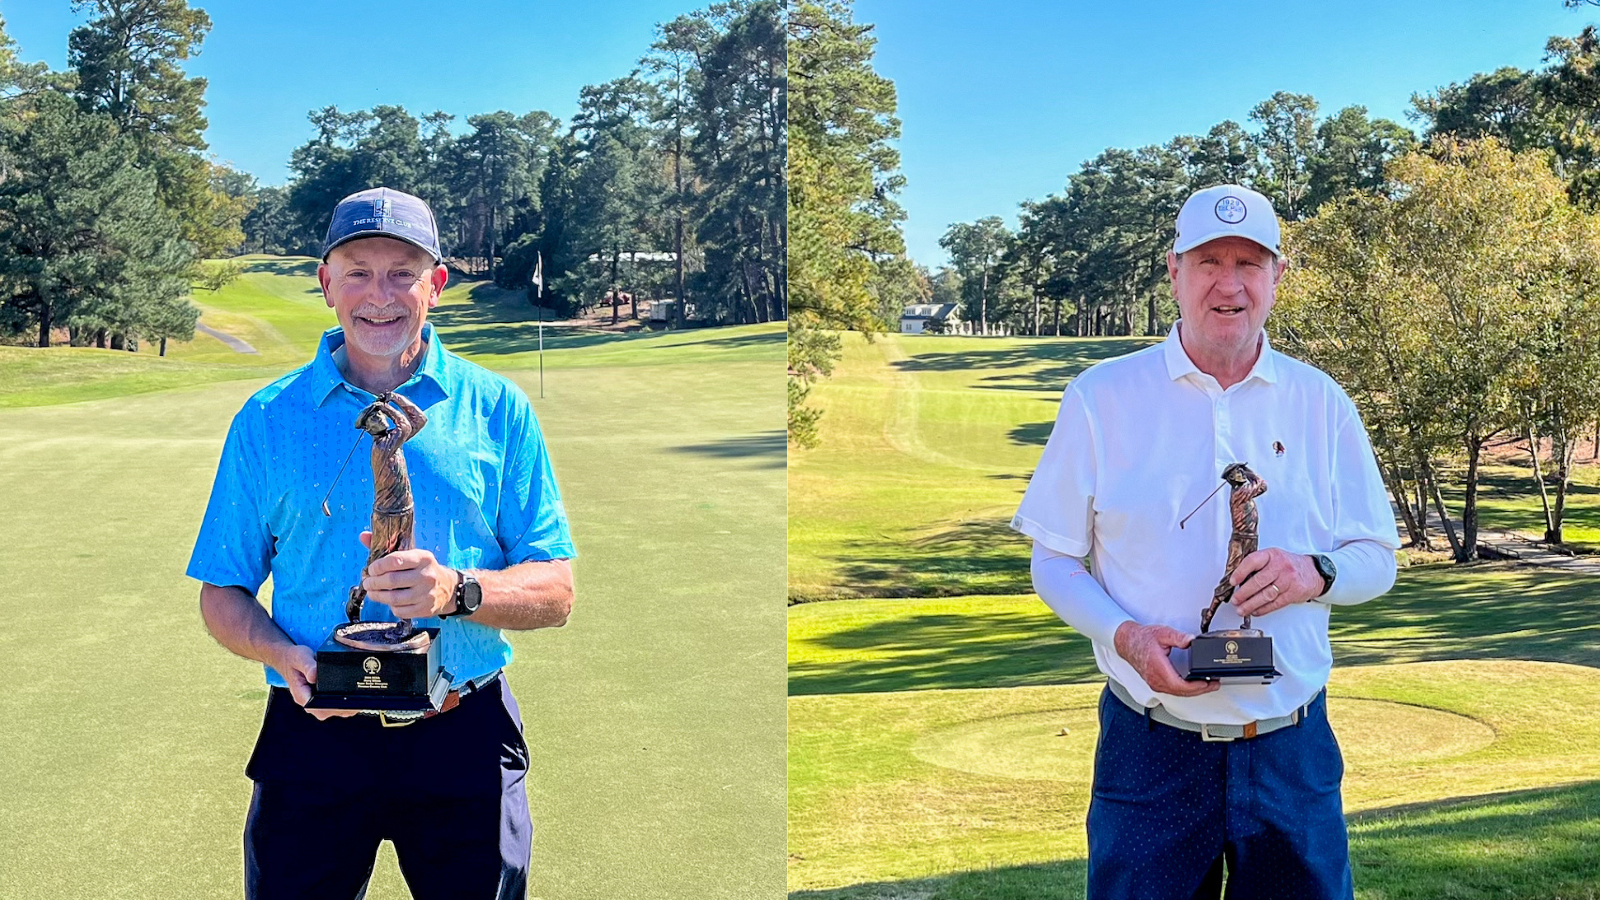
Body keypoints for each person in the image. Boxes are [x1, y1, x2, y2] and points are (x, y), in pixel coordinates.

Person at [1010, 184, 1399, 900]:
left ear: (1277, 277)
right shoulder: (1102, 397)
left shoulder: (1322, 402)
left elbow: (1377, 559)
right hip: (1149, 749)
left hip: (1291, 747)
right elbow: (1055, 559)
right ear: (1174, 272)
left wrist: (1315, 572)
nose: (1229, 284)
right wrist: (1126, 636)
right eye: (1208, 261)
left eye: (1249, 263)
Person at [187, 186, 576, 900]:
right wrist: (283, 656)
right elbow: (223, 590)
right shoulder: (267, 419)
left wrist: (459, 590)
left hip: (464, 731)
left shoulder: (497, 409)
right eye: (358, 270)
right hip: (313, 737)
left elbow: (556, 591)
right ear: (326, 283)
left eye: (403, 271)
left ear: (437, 284)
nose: (380, 294)